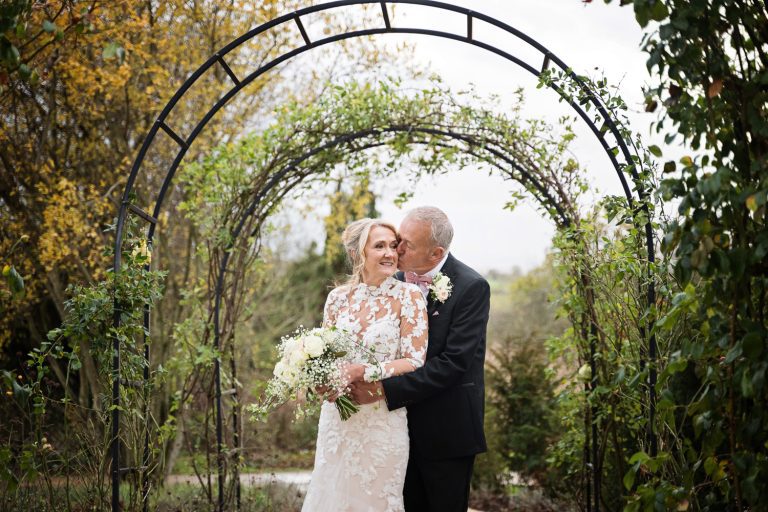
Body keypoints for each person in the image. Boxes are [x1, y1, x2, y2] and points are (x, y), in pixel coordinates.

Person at [350, 206, 491, 512]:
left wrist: (383, 390)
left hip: (446, 431)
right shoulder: (394, 281)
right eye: (398, 239)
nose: (397, 249)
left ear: (435, 253)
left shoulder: (471, 287)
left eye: (407, 245)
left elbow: (453, 363)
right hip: (395, 429)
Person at [301, 218, 429, 512]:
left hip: (381, 421)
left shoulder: (409, 296)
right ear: (358, 253)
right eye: (379, 246)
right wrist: (322, 382)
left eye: (393, 246)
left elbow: (414, 360)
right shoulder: (336, 298)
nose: (390, 253)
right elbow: (325, 356)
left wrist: (365, 371)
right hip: (337, 420)